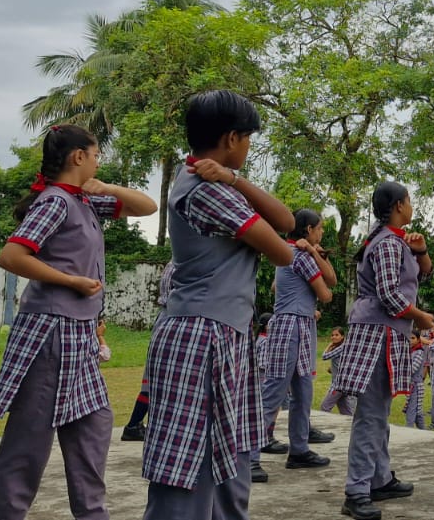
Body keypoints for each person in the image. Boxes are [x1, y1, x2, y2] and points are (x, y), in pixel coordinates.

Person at [0, 124, 157, 520]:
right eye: (96, 155)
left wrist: (107, 187)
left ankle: (92, 514)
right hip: (49, 331)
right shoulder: (55, 202)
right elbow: (12, 256)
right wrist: (71, 280)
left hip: (78, 333)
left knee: (94, 426)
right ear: (78, 157)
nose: (98, 162)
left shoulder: (85, 202)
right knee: (29, 441)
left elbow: (147, 206)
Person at [139, 90, 297, 520]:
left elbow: (285, 222)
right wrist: (229, 184)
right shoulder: (204, 190)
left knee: (231, 453)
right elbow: (284, 251)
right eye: (248, 139)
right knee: (186, 462)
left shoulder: (216, 184)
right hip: (201, 332)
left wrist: (234, 179)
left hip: (221, 330)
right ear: (231, 138)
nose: (249, 148)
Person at [333, 181, 434, 520]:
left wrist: (420, 251)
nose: (411, 205)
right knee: (371, 415)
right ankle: (357, 491)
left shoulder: (393, 241)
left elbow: (425, 272)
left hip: (383, 332)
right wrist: (420, 317)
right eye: (408, 200)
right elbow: (391, 296)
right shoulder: (388, 244)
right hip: (379, 333)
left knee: (378, 411)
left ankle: (379, 478)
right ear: (398, 206)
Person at [249, 209, 337, 483]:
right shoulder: (301, 257)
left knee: (301, 390)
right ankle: (248, 457)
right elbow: (327, 292)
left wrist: (314, 252)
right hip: (293, 326)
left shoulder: (285, 254)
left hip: (291, 324)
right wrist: (313, 254)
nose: (322, 232)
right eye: (320, 228)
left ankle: (299, 450)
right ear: (308, 230)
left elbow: (277, 287)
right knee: (274, 391)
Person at [121, 260, 175, 442]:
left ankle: (135, 425)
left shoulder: (174, 261)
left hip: (166, 319)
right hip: (175, 318)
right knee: (162, 382)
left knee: (153, 381)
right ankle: (137, 425)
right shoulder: (187, 262)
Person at [318, 329, 355, 416]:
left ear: (342, 336)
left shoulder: (342, 347)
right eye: (332, 335)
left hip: (338, 385)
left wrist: (329, 346)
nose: (333, 337)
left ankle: (324, 426)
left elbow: (325, 356)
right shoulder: (343, 347)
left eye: (336, 335)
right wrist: (333, 369)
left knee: (325, 407)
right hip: (343, 384)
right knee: (346, 411)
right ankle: (350, 427)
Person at [403, 332, 429, 430]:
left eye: (413, 338)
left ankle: (408, 430)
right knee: (418, 411)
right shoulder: (410, 351)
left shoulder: (419, 352)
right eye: (408, 338)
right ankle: (424, 432)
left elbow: (412, 369)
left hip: (416, 385)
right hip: (411, 385)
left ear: (418, 340)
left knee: (412, 409)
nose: (410, 340)